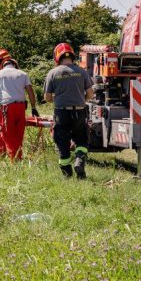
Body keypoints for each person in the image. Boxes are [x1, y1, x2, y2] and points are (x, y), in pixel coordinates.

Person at [43, 43, 94, 179]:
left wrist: (59, 99)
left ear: (57, 57)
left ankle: (67, 174)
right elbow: (90, 94)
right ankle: (79, 161)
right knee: (82, 139)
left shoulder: (53, 73)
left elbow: (47, 97)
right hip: (79, 112)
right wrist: (81, 99)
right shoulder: (82, 72)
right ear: (72, 55)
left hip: (61, 113)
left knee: (62, 142)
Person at [0, 48, 39, 159]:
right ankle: (1, 152)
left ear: (1, 62)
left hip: (7, 109)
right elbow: (30, 91)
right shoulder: (23, 74)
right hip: (21, 108)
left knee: (7, 133)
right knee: (12, 131)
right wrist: (33, 107)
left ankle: (15, 159)